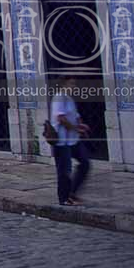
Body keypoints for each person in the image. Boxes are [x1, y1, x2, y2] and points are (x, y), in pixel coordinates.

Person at [51, 77, 91, 206]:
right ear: (64, 84)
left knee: (85, 163)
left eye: (74, 83)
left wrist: (81, 125)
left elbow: (75, 115)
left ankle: (72, 193)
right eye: (71, 83)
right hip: (62, 141)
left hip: (73, 140)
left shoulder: (69, 98)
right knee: (64, 170)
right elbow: (61, 118)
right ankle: (64, 198)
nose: (74, 86)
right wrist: (76, 128)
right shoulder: (59, 98)